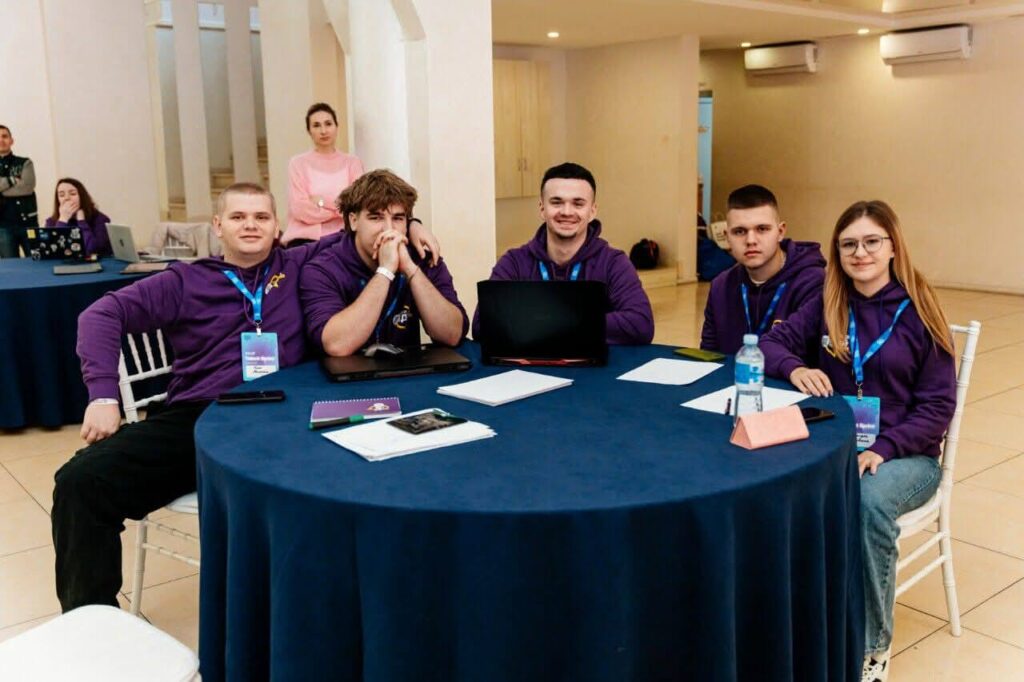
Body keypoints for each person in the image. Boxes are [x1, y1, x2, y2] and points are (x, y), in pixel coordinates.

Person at [51, 181, 439, 611]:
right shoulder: (184, 280)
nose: (251, 225)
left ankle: (359, 601)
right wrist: (103, 395)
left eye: (261, 217)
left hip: (290, 415)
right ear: (217, 225)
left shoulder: (298, 263)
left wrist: (414, 225)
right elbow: (100, 315)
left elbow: (368, 223)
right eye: (238, 217)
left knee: (382, 460)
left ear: (277, 227)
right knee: (80, 482)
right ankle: (92, 624)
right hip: (203, 418)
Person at [759, 200, 956, 682]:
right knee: (770, 477)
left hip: (906, 457)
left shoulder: (920, 312)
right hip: (838, 446)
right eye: (848, 244)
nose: (860, 252)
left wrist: (883, 449)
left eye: (871, 242)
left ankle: (871, 647)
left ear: (892, 247)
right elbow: (770, 344)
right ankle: (796, 620)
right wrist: (796, 368)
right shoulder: (830, 305)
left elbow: (937, 409)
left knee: (867, 500)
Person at [472, 162, 654, 345]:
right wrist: (580, 324)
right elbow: (482, 325)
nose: (567, 212)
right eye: (556, 202)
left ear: (592, 211)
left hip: (593, 363)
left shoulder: (613, 262)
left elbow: (641, 324)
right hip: (531, 362)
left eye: (578, 203)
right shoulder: (514, 262)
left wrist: (543, 323)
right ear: (542, 209)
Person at [301, 169, 467, 356]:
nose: (388, 229)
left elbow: (452, 334)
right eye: (376, 218)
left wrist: (411, 270)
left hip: (407, 370)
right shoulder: (322, 269)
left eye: (398, 218)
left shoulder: (421, 259)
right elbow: (336, 345)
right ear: (353, 221)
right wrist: (385, 271)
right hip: (347, 373)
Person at [700, 184, 825, 354]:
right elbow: (708, 355)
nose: (751, 240)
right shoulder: (720, 286)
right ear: (727, 237)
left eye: (762, 229)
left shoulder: (812, 282)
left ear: (780, 232)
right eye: (739, 231)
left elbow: (815, 358)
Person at [281, 102, 364, 247]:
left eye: (328, 124)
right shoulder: (298, 163)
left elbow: (357, 204)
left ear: (336, 127)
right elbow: (299, 209)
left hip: (344, 236)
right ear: (309, 131)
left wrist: (321, 203)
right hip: (304, 238)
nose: (323, 131)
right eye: (316, 125)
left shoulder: (352, 163)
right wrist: (339, 209)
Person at [44, 177, 112, 257]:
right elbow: (53, 251)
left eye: (73, 194)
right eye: (61, 195)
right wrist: (63, 220)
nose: (67, 198)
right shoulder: (51, 221)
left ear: (82, 197)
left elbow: (92, 250)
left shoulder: (100, 219)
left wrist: (82, 222)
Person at [0, 125, 39, 258]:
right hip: (2, 226)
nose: (1, 140)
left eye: (4, 136)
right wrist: (12, 180)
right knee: (11, 266)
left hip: (29, 223)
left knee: (37, 262)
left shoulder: (25, 163)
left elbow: (27, 187)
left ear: (11, 140)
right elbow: (20, 186)